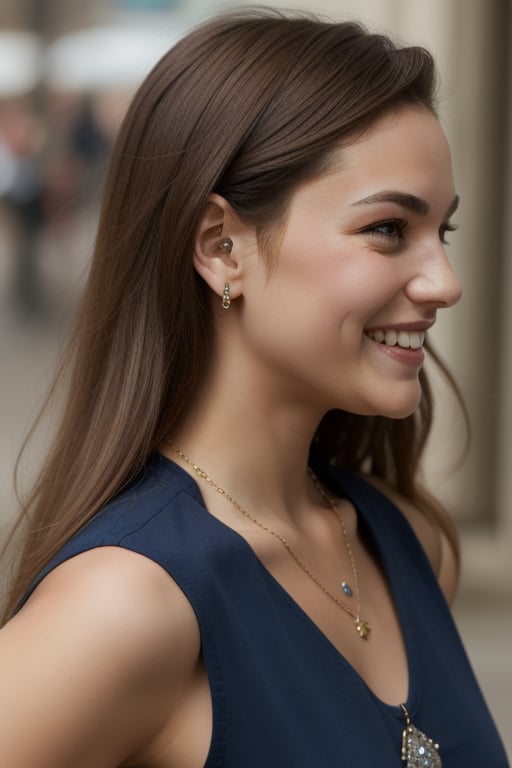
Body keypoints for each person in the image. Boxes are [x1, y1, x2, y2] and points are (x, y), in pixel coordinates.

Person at [0, 9, 508, 768]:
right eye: (388, 230)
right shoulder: (125, 607)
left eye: (444, 232)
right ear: (220, 247)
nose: (446, 282)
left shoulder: (407, 542)